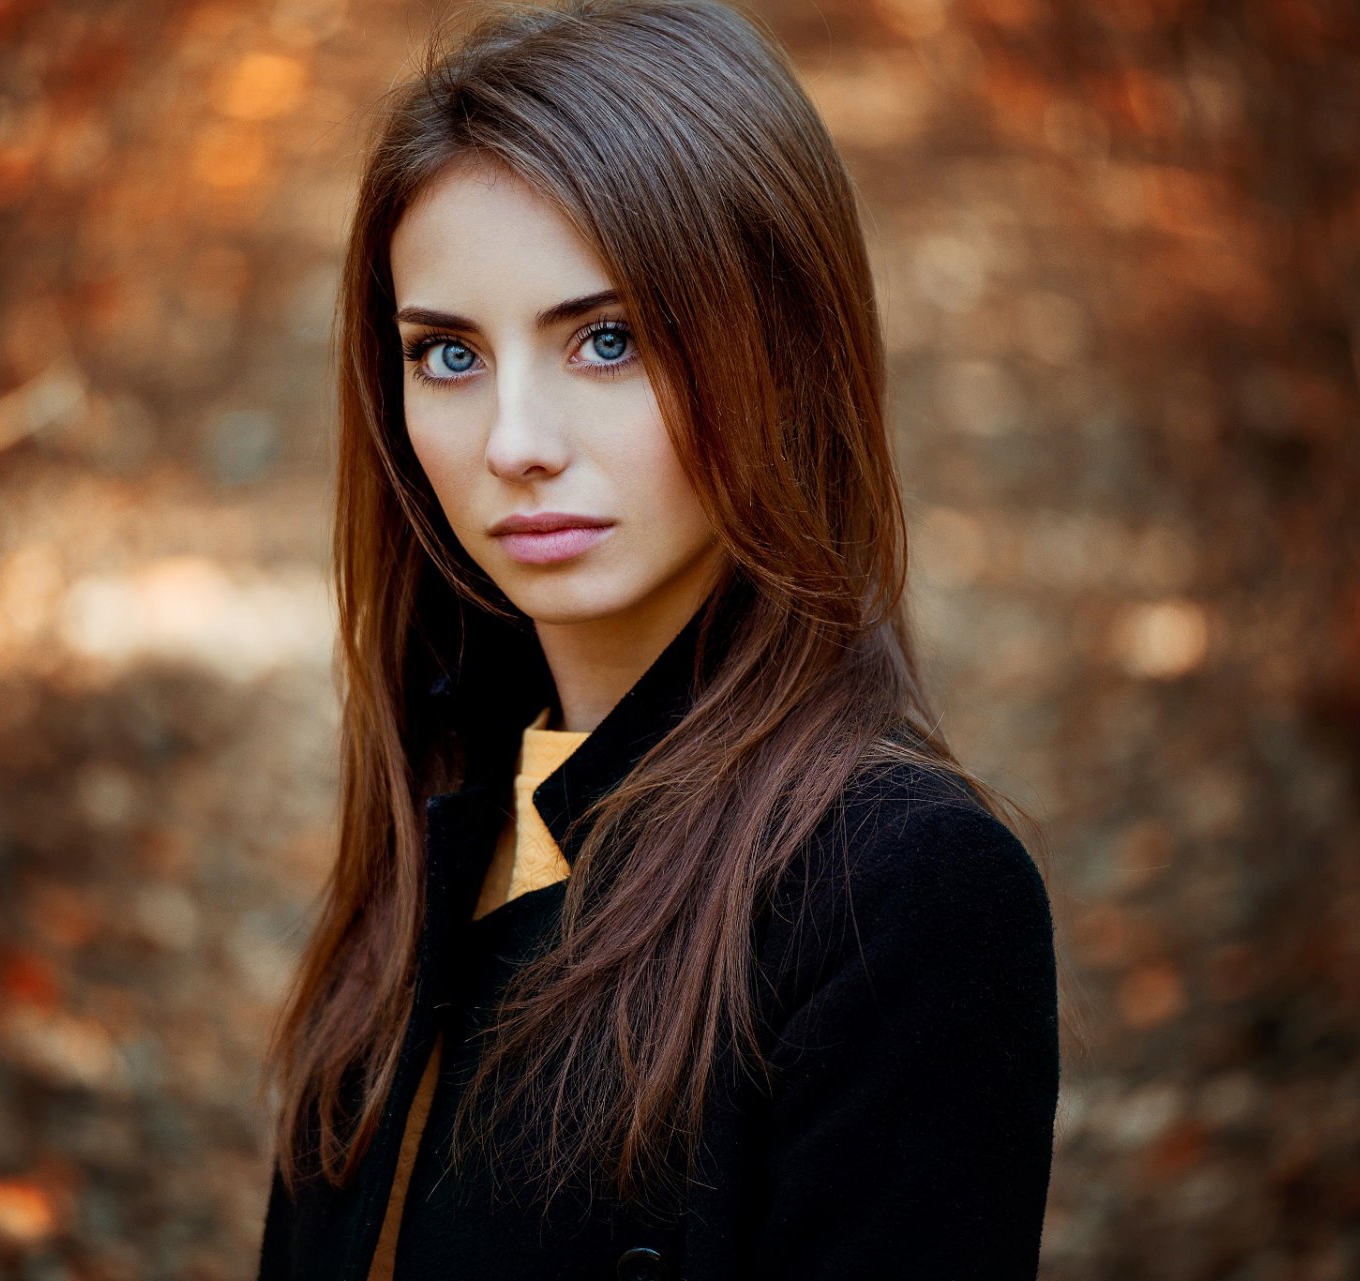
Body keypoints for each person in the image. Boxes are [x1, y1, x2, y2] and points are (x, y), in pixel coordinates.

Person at [257, 1, 1060, 1277]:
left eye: (608, 339)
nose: (515, 440)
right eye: (448, 354)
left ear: (786, 349)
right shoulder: (445, 814)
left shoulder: (898, 899)